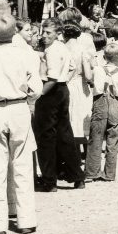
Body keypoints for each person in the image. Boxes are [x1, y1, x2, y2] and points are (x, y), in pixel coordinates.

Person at [0, 11, 43, 234]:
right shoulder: (26, 56)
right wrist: (28, 98)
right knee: (23, 165)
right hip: (19, 108)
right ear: (14, 31)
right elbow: (36, 88)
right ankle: (25, 219)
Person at [33, 19, 85, 192]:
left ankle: (49, 180)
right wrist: (64, 83)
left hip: (50, 91)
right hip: (62, 90)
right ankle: (77, 176)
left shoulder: (52, 51)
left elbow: (52, 78)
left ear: (57, 33)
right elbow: (71, 67)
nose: (44, 36)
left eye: (49, 33)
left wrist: (38, 95)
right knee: (64, 134)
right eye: (43, 32)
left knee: (46, 137)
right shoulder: (63, 48)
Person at [84, 42, 118, 181]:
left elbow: (90, 78)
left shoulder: (98, 70)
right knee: (113, 138)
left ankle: (92, 172)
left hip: (100, 102)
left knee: (96, 137)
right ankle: (109, 173)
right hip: (115, 103)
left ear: (104, 57)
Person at [60, 13, 94, 154]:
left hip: (65, 85)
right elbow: (88, 75)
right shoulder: (82, 50)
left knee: (69, 118)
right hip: (80, 85)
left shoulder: (60, 49)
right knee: (83, 118)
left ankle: (70, 153)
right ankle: (86, 152)